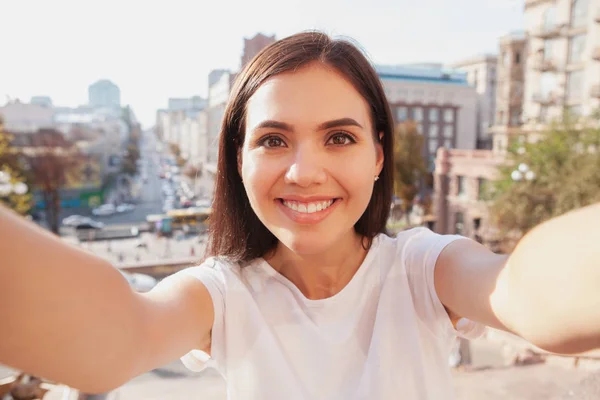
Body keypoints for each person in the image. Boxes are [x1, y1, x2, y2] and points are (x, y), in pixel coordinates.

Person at [1, 32, 599, 400]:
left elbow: (523, 292)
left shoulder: (423, 268)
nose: (304, 171)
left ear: (378, 156)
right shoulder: (224, 293)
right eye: (273, 140)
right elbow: (116, 338)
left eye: (339, 137)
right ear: (238, 160)